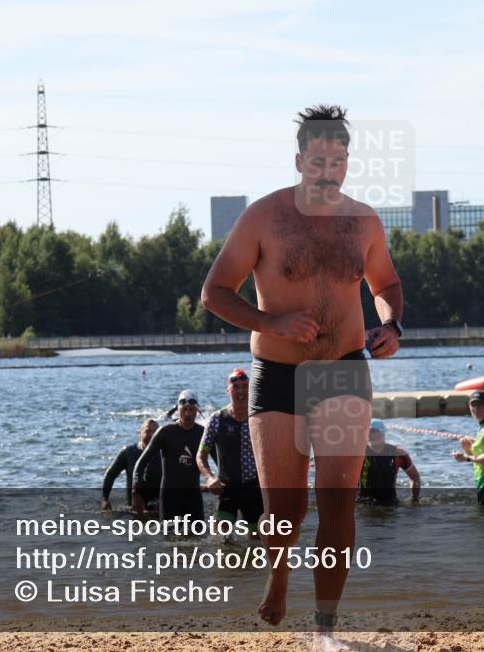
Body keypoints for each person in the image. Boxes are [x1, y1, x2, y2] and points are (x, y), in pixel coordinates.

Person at [201, 104, 404, 651]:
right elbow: (214, 292)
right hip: (279, 374)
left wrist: (391, 325)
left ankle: (324, 630)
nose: (328, 172)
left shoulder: (364, 222)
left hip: (343, 372)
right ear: (299, 161)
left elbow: (386, 285)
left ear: (347, 162)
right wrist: (271, 322)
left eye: (338, 161)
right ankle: (278, 574)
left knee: (337, 502)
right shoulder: (263, 217)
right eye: (318, 161)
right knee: (285, 509)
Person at [198, 369, 264, 533]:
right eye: (236, 387)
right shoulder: (217, 419)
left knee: (257, 540)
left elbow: (273, 455)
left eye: (245, 386)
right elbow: (201, 455)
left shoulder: (260, 418)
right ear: (228, 389)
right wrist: (209, 478)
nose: (241, 391)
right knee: (221, 538)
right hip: (226, 488)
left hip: (254, 488)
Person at [133, 390, 205, 523]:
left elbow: (220, 461)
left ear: (197, 410)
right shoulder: (165, 432)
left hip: (193, 497)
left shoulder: (202, 433)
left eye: (191, 409)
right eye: (184, 409)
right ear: (178, 409)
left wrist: (215, 480)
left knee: (198, 534)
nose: (188, 414)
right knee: (169, 535)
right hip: (169, 497)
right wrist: (135, 492)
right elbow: (141, 462)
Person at [101, 418, 160, 512]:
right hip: (132, 507)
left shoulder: (165, 453)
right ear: (140, 433)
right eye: (148, 431)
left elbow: (175, 478)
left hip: (157, 506)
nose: (152, 434)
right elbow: (111, 474)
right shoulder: (128, 452)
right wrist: (105, 498)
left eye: (155, 432)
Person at [357, 420, 420, 506]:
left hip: (390, 504)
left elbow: (415, 477)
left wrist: (414, 499)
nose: (369, 434)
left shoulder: (398, 454)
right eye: (367, 432)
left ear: (382, 433)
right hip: (364, 504)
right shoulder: (358, 455)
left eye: (373, 431)